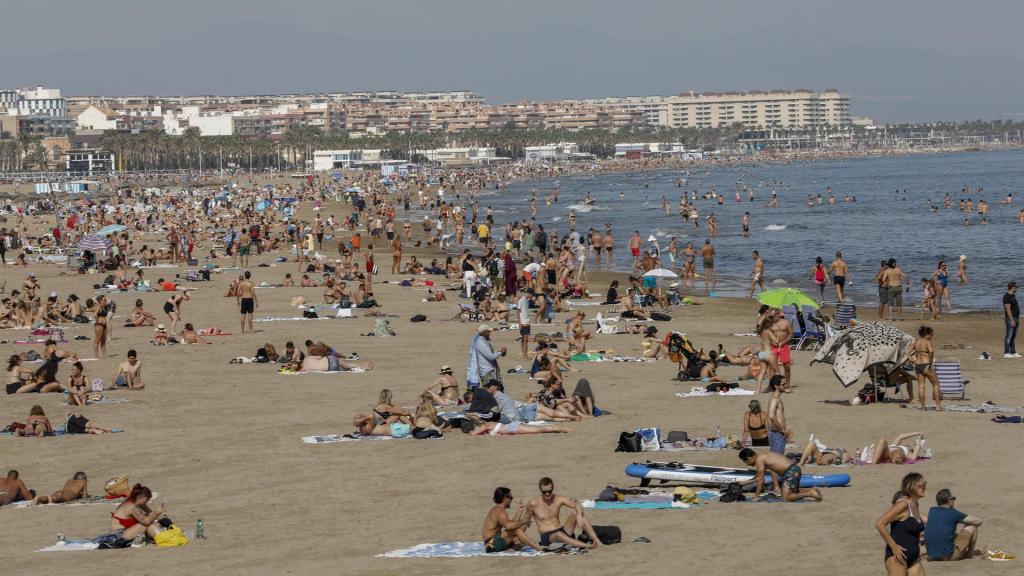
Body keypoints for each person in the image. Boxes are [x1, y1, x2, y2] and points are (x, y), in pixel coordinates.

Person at [524, 477, 601, 549]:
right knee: (559, 534)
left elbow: (577, 504)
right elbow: (524, 522)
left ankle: (597, 542)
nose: (547, 494)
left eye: (549, 491)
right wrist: (518, 539)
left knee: (576, 513)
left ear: (553, 488)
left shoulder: (558, 499)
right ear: (540, 490)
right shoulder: (533, 504)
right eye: (544, 492)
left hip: (562, 531)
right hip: (547, 537)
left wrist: (579, 516)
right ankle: (587, 545)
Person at [875, 473, 927, 575]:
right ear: (910, 487)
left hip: (913, 558)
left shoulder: (915, 504)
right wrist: (893, 546)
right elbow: (879, 523)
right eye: (920, 486)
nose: (924, 488)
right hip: (897, 557)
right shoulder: (903, 504)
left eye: (924, 485)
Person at [738, 448, 822, 502]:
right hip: (793, 470)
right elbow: (758, 477)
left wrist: (756, 496)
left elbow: (760, 480)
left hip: (791, 472)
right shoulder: (762, 455)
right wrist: (744, 483)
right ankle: (812, 490)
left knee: (786, 498)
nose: (747, 464)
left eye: (745, 462)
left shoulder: (759, 460)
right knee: (791, 492)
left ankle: (811, 493)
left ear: (749, 458)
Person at [925, 488, 983, 561]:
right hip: (949, 556)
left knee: (948, 533)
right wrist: (963, 521)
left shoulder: (932, 510)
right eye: (953, 498)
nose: (954, 501)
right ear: (949, 501)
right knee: (972, 527)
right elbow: (978, 521)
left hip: (931, 555)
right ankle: (969, 555)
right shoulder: (953, 513)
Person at [483, 487, 542, 553]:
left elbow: (511, 524)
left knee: (520, 541)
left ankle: (513, 548)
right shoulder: (499, 511)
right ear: (505, 498)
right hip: (491, 545)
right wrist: (524, 521)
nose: (511, 500)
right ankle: (537, 548)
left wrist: (519, 512)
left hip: (494, 543)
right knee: (517, 530)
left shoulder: (498, 510)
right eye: (511, 498)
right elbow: (509, 526)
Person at [467, 324, 506, 389]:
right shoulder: (481, 342)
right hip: (487, 371)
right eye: (488, 331)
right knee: (490, 390)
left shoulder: (483, 340)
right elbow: (491, 356)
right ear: (483, 332)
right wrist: (501, 352)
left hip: (489, 370)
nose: (489, 333)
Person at [911, 326, 941, 411]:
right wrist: (931, 363)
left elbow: (906, 352)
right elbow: (931, 351)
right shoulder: (927, 342)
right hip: (926, 364)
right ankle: (938, 406)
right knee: (936, 384)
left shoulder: (916, 342)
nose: (932, 336)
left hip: (918, 365)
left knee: (921, 386)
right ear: (927, 334)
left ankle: (923, 408)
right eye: (931, 334)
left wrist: (911, 359)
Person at [859, 432, 925, 464]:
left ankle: (872, 460)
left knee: (884, 441)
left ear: (911, 449)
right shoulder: (895, 445)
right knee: (882, 441)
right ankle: (871, 457)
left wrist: (918, 444)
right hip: (885, 454)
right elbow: (900, 437)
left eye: (909, 446)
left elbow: (913, 458)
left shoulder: (908, 453)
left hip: (891, 456)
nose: (908, 445)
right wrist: (916, 433)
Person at [766, 375, 790, 454]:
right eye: (783, 384)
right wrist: (782, 430)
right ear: (776, 386)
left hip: (775, 432)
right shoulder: (775, 399)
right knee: (778, 458)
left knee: (776, 457)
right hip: (777, 433)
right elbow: (772, 416)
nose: (785, 386)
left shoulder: (775, 398)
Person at [1004, 281, 1019, 358]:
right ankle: (1006, 352)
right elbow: (1008, 309)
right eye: (1016, 287)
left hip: (1016, 318)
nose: (1017, 288)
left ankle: (1013, 352)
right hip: (1011, 318)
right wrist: (1011, 320)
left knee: (1013, 336)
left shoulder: (1013, 295)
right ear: (1012, 287)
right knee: (1009, 335)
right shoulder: (1007, 297)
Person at [517, 290, 532, 359]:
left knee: (524, 339)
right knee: (525, 340)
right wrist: (519, 323)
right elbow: (518, 311)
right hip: (523, 322)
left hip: (527, 322)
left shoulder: (526, 300)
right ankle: (525, 355)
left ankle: (524, 354)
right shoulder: (521, 300)